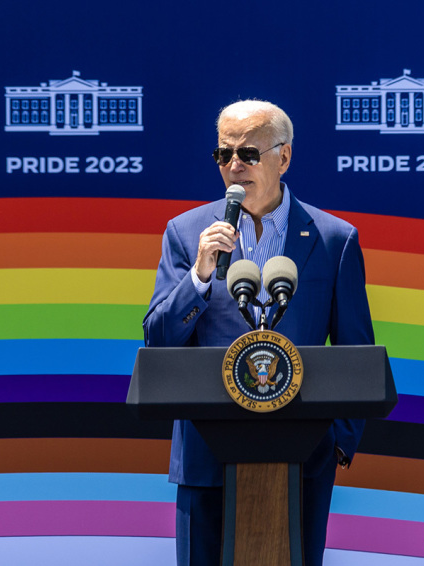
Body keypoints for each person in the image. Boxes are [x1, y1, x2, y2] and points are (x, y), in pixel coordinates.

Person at [143, 100, 374, 566]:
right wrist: (200, 277)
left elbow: (356, 348)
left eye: (248, 154)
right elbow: (159, 340)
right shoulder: (187, 234)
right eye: (223, 155)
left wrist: (339, 443)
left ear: (283, 157)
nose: (234, 166)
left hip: (304, 455)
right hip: (207, 453)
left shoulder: (333, 239)